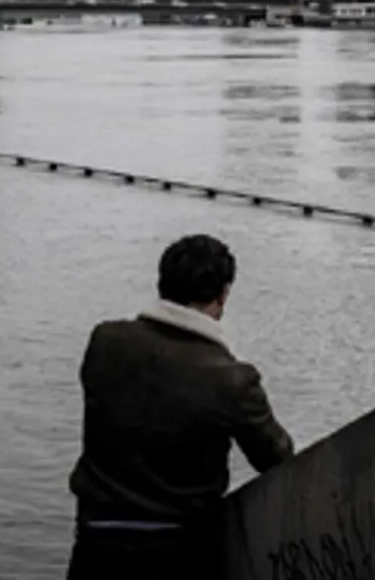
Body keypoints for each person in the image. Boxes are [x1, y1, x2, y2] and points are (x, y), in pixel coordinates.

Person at [66, 234, 294, 578]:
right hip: (178, 552)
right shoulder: (232, 380)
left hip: (97, 539)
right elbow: (276, 459)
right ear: (223, 295)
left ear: (161, 283)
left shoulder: (105, 342)